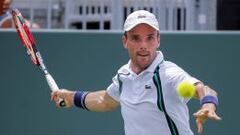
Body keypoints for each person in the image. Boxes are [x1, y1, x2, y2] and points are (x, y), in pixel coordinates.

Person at [51, 10, 221, 135]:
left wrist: (207, 104)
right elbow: (106, 100)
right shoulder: (124, 76)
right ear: (125, 41)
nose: (143, 45)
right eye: (135, 38)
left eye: (150, 37)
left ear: (158, 40)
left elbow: (203, 89)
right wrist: (71, 97)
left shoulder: (169, 75)